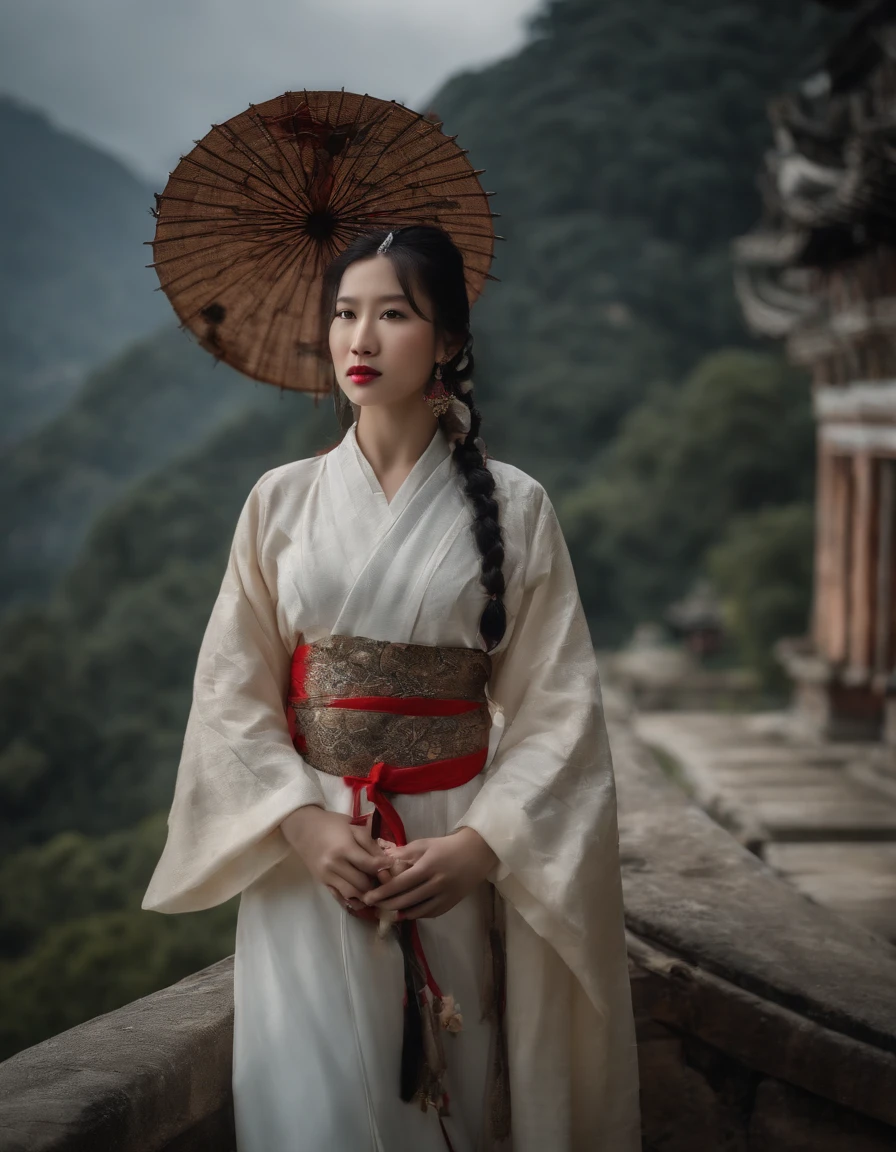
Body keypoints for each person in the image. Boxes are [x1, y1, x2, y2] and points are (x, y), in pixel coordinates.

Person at [142, 224, 640, 1151]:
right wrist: (300, 821)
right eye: (343, 313)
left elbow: (558, 711)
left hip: (443, 856)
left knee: (444, 1103)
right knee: (312, 1113)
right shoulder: (279, 502)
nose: (358, 340)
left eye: (392, 314)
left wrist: (482, 849)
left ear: (447, 340)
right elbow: (230, 693)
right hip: (310, 863)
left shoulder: (519, 507)